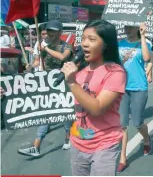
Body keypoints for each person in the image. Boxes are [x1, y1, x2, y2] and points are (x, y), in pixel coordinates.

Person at [61, 20, 126, 176]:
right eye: (83, 38)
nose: (85, 44)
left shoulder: (116, 72)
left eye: (92, 39)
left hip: (105, 145)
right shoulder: (77, 69)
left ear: (106, 44)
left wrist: (72, 82)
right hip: (78, 141)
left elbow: (97, 108)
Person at [17, 20, 74, 157]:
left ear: (60, 32)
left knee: (65, 113)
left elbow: (62, 57)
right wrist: (30, 65)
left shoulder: (67, 46)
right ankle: (36, 146)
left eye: (53, 31)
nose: (50, 34)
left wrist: (46, 48)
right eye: (49, 31)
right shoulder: (44, 48)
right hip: (49, 85)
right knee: (46, 113)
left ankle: (69, 137)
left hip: (65, 84)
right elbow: (38, 61)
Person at [117, 23, 152, 173]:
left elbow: (146, 58)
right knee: (122, 125)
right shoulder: (119, 44)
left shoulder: (144, 43)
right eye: (126, 27)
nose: (127, 29)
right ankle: (123, 158)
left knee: (138, 123)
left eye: (131, 27)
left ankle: (146, 139)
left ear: (137, 28)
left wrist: (143, 36)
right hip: (122, 88)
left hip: (139, 87)